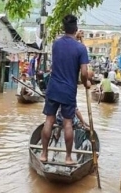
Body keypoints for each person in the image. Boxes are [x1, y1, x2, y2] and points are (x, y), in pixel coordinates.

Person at [40, 14, 91, 165]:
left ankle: (44, 154)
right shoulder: (81, 48)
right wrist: (85, 82)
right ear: (76, 29)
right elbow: (83, 73)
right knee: (68, 123)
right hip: (68, 90)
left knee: (49, 120)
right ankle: (68, 158)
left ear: (63, 28)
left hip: (53, 88)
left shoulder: (56, 44)